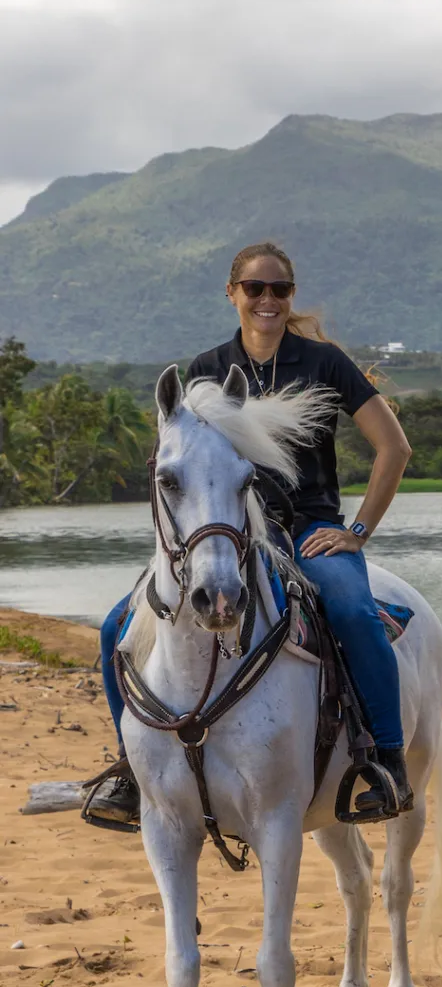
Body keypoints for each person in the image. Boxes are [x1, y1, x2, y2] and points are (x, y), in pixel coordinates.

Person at [83, 242, 416, 830]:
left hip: (310, 528)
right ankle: (130, 770)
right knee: (116, 626)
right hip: (228, 534)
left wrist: (357, 532)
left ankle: (383, 763)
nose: (267, 300)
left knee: (353, 613)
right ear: (232, 293)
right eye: (255, 289)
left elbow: (395, 448)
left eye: (279, 289)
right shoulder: (206, 368)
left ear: (291, 295)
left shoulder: (325, 363)